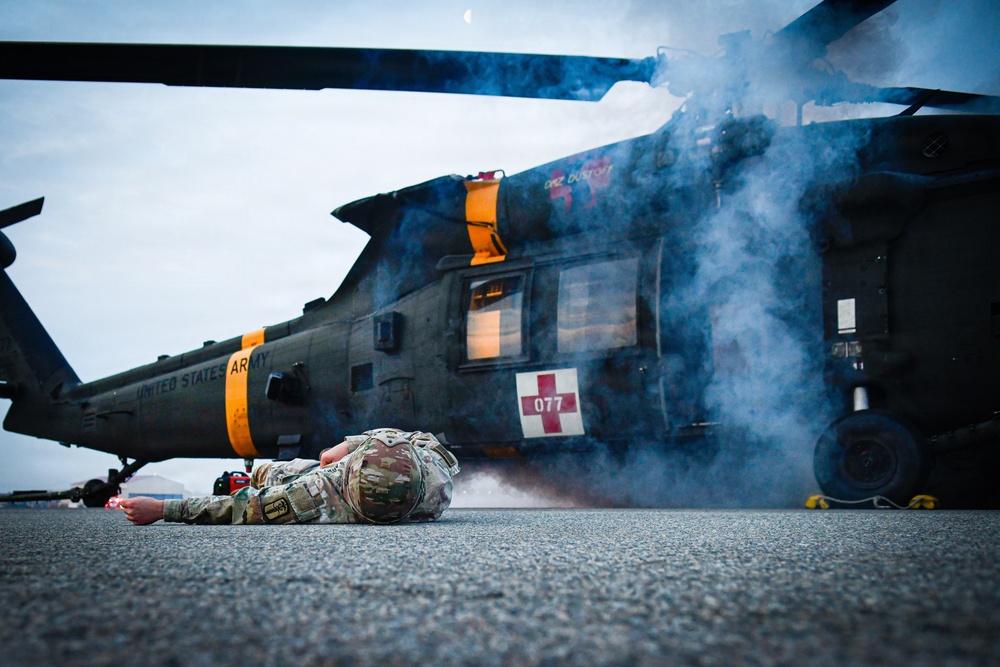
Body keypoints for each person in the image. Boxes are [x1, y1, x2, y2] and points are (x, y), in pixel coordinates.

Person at [121, 428, 460, 525]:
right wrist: (349, 447)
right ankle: (265, 471)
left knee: (274, 474)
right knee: (314, 462)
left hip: (326, 482)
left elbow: (240, 508)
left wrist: (163, 510)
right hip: (352, 464)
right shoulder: (435, 477)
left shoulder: (319, 493)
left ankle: (256, 473)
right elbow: (417, 438)